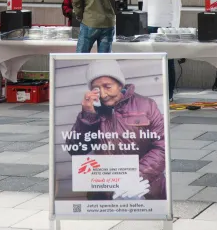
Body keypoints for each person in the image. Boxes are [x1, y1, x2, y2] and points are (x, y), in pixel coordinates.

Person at [69, 60, 166, 200]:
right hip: (104, 190)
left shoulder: (147, 106)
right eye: (96, 89)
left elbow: (161, 147)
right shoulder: (92, 110)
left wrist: (134, 177)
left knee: (145, 220)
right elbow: (75, 149)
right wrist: (87, 115)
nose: (103, 95)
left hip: (144, 187)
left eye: (107, 86)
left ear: (120, 84)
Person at [142, 0, 181, 102]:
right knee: (151, 62)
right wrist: (143, 25)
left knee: (167, 61)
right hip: (150, 26)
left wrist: (174, 29)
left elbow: (177, 5)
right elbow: (145, 5)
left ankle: (169, 94)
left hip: (165, 28)